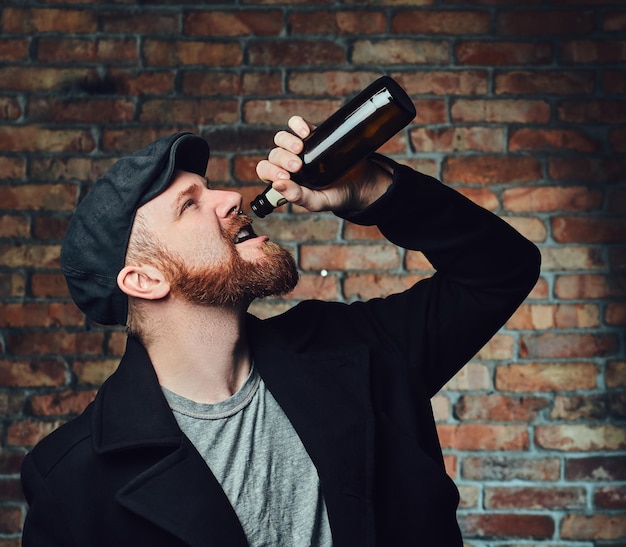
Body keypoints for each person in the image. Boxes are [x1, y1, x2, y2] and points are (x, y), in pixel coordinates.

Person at [20, 115, 540, 547]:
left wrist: (371, 189)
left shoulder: (356, 350)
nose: (230, 198)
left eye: (210, 189)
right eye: (190, 204)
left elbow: (500, 271)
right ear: (145, 279)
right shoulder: (70, 478)